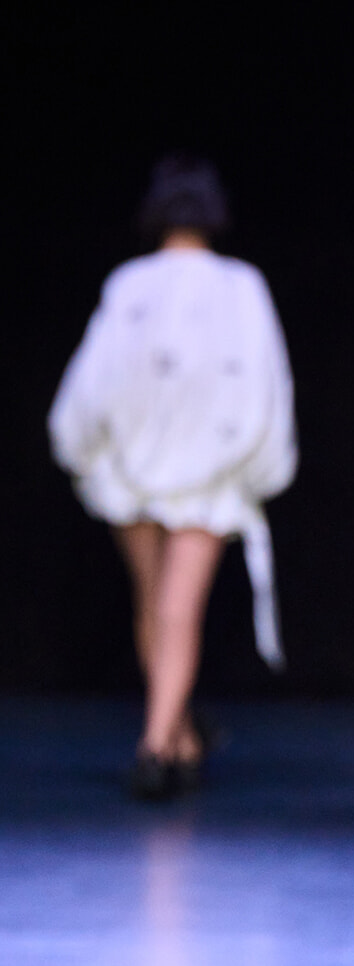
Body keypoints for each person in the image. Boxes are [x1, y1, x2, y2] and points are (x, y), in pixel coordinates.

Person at [48, 155, 297, 799]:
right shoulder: (239, 285)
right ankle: (165, 743)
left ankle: (168, 738)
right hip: (210, 470)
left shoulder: (132, 284)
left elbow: (93, 381)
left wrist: (83, 449)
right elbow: (267, 381)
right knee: (175, 609)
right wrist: (258, 464)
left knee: (154, 605)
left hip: (128, 467)